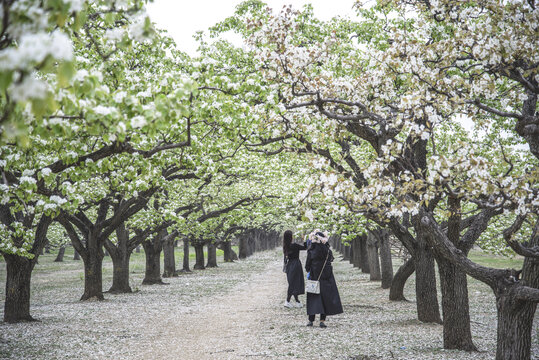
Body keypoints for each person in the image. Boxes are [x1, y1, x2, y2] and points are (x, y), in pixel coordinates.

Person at [305, 230, 343, 328]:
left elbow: (307, 267)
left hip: (314, 277)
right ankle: (322, 320)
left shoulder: (311, 251)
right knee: (325, 298)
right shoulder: (327, 251)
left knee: (314, 298)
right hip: (326, 277)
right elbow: (330, 260)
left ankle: (311, 320)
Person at [283, 230, 307, 308]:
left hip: (289, 265)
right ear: (291, 237)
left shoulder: (285, 246)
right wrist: (304, 239)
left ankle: (297, 301)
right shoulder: (295, 246)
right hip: (296, 264)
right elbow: (305, 247)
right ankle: (288, 301)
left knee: (292, 283)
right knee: (294, 283)